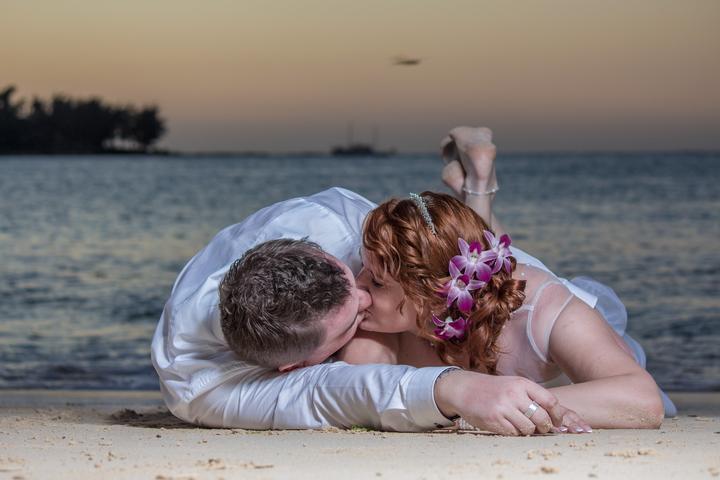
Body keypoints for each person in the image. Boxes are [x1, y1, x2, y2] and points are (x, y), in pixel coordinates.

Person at [336, 132, 675, 428]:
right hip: (467, 284)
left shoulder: (544, 314)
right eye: (364, 267)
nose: (357, 286)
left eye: (377, 282)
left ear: (432, 296)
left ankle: (479, 187)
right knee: (466, 251)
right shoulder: (380, 321)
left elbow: (642, 400)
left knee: (492, 260)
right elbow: (354, 388)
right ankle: (477, 185)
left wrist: (508, 402)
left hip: (552, 323)